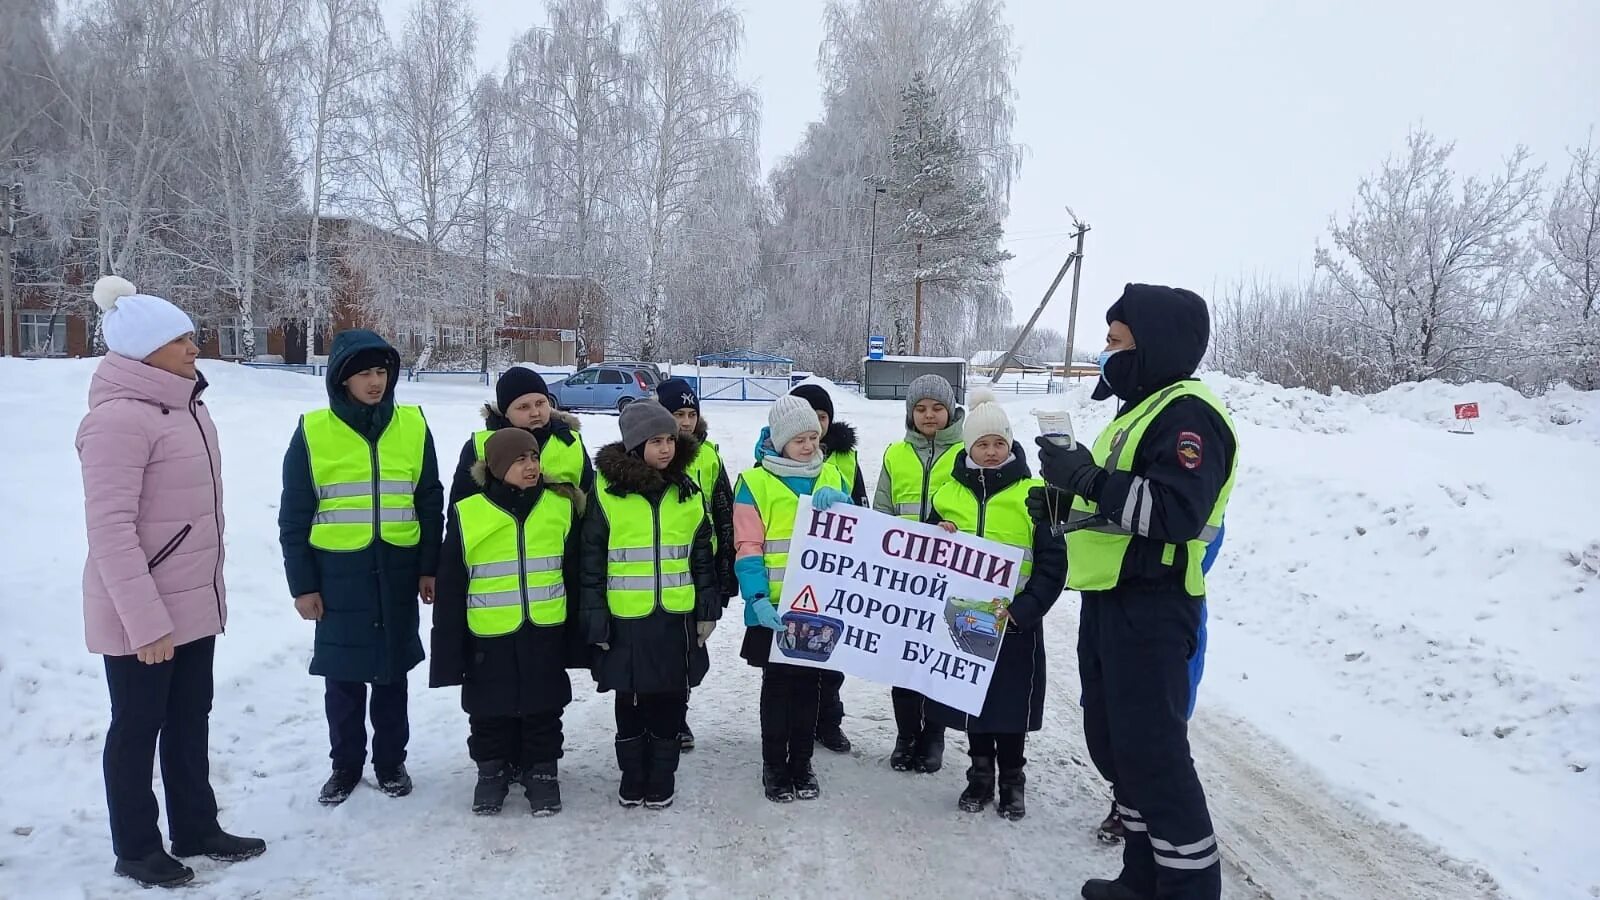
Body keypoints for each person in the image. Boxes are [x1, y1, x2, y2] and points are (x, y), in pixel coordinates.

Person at [1027, 284, 1239, 900]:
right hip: (1114, 600)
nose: (1107, 354)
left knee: (1155, 757)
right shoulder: (1142, 409)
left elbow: (1171, 511)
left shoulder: (1189, 415)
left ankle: (1188, 889)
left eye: (1117, 342)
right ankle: (1143, 878)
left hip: (1156, 604)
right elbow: (1120, 505)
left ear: (1155, 345)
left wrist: (1087, 477)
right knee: (1118, 748)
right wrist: (1063, 498)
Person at [77, 276, 265, 888]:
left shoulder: (188, 407)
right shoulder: (116, 420)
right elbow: (110, 530)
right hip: (142, 614)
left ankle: (195, 826)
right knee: (137, 728)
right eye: (180, 339)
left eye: (191, 336)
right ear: (142, 349)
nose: (193, 347)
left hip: (191, 603)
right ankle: (136, 847)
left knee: (191, 717)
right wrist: (146, 622)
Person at [279, 329, 445, 807]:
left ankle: (391, 761)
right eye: (364, 374)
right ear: (341, 379)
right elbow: (294, 516)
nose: (376, 382)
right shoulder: (313, 432)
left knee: (393, 675)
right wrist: (303, 585)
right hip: (339, 576)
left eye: (382, 372)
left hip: (396, 568)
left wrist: (428, 568)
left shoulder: (412, 425)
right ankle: (345, 765)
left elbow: (429, 502)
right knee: (344, 678)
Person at [923, 389, 1066, 822]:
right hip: (965, 621)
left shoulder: (1035, 495)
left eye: (998, 443)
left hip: (1015, 622)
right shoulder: (947, 492)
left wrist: (1024, 611)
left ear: (1010, 444)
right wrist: (938, 533)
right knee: (973, 702)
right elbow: (924, 556)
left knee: (1010, 708)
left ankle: (1012, 780)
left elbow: (1052, 564)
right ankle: (979, 774)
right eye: (981, 444)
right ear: (968, 447)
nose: (990, 452)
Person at [430, 429, 582, 816]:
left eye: (533, 458)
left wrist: (580, 636)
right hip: (488, 635)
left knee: (544, 707)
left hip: (544, 629)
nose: (531, 467)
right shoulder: (470, 513)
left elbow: (575, 573)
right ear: (497, 467)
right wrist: (450, 650)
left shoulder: (558, 508)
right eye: (519, 460)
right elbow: (451, 585)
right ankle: (491, 772)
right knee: (488, 710)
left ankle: (542, 772)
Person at [578, 402, 721, 809]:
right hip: (626, 622)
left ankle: (661, 776)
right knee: (631, 700)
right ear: (634, 445)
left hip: (675, 619)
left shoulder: (687, 494)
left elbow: (701, 557)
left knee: (670, 700)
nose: (665, 449)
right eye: (655, 441)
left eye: (670, 440)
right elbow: (591, 565)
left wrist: (707, 609)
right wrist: (596, 620)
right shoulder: (606, 496)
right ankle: (632, 774)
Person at [735, 396, 852, 802]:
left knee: (808, 689)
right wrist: (756, 599)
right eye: (799, 439)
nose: (808, 446)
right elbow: (748, 548)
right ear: (779, 441)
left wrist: (844, 504)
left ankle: (802, 764)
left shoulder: (833, 476)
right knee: (778, 688)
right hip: (775, 611)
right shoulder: (755, 484)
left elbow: (857, 536)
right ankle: (774, 766)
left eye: (813, 438)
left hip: (819, 609)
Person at [1097, 520, 1225, 844]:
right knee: (1113, 724)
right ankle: (1128, 804)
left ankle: (1161, 823)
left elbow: (1202, 549)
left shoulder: (1194, 485)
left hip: (1168, 608)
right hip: (1116, 602)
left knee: (1160, 731)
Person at [872, 374, 964, 774]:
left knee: (937, 659)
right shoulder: (895, 455)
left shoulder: (965, 452)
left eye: (937, 408)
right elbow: (882, 512)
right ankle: (906, 734)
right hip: (905, 578)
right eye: (921, 408)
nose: (929, 415)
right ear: (910, 413)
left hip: (948, 578)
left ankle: (934, 736)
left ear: (951, 411)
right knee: (903, 659)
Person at [657, 377, 738, 752]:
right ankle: (665, 717)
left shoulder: (708, 456)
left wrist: (727, 567)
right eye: (678, 414)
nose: (686, 422)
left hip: (701, 567)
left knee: (691, 644)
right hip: (663, 567)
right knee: (663, 642)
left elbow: (726, 510)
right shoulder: (652, 450)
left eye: (691, 414)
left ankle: (678, 711)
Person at [788, 384, 864, 754]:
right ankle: (793, 722)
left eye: (821, 418)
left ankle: (829, 721)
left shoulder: (846, 458)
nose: (815, 427)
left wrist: (845, 504)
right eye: (807, 417)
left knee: (831, 652)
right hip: (793, 574)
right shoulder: (776, 456)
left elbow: (864, 514)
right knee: (793, 659)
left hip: (834, 570)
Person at [448, 367, 594, 506]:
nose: (535, 412)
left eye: (540, 403)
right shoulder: (480, 446)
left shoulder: (570, 441)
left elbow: (591, 502)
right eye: (524, 407)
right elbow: (461, 509)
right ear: (505, 412)